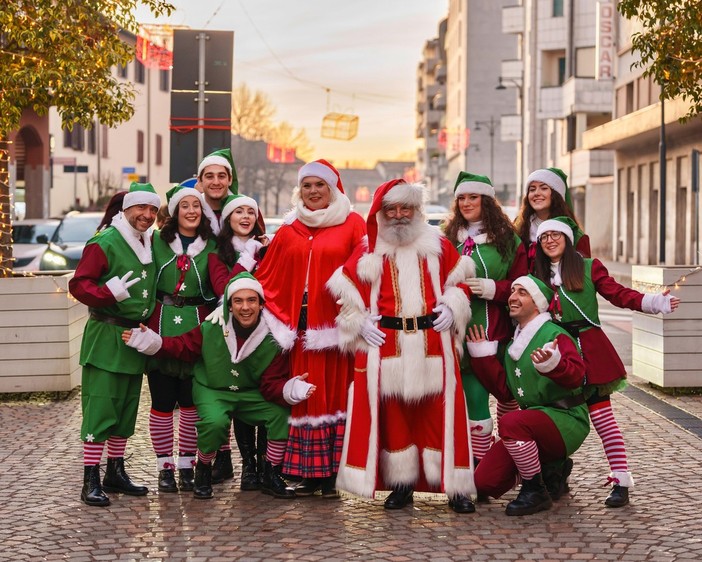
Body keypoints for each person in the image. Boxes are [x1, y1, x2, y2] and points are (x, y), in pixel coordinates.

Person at [328, 178, 476, 513]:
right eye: (391, 209)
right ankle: (401, 485)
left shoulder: (437, 244)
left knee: (442, 415)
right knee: (394, 418)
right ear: (381, 213)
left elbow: (462, 284)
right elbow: (346, 294)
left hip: (432, 344)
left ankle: (454, 488)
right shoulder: (369, 249)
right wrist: (358, 322)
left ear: (416, 209)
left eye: (404, 208)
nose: (398, 215)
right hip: (388, 346)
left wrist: (452, 307)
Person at [122, 273, 312, 500]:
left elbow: (271, 384)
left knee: (281, 414)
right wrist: (154, 342)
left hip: (250, 394)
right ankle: (202, 468)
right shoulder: (212, 327)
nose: (245, 307)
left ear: (262, 304)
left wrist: (290, 389)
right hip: (213, 390)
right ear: (229, 306)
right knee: (214, 423)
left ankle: (271, 474)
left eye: (251, 300)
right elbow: (183, 346)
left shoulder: (274, 338)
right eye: (238, 301)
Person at [532, 216, 681, 507]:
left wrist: (653, 302)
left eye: (555, 235)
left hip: (591, 352)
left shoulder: (589, 267)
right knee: (555, 417)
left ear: (567, 238)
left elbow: (618, 294)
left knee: (603, 419)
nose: (549, 240)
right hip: (557, 353)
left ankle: (621, 480)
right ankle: (551, 475)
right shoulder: (536, 275)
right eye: (544, 236)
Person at [253, 159, 366, 498]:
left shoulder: (352, 224)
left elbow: (367, 270)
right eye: (307, 185)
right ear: (299, 190)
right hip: (300, 331)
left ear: (333, 188)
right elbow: (268, 274)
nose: (313, 191)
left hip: (337, 332)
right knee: (305, 397)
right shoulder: (289, 229)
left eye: (320, 185)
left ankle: (333, 474)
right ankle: (310, 473)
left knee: (335, 396)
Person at [69, 182, 161, 507]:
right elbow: (78, 284)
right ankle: (90, 478)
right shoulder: (105, 241)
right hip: (106, 337)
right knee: (100, 408)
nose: (147, 216)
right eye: (141, 208)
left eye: (153, 210)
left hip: (133, 338)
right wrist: (108, 294)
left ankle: (115, 472)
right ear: (127, 208)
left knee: (125, 410)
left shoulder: (148, 243)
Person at [465, 275, 589, 516]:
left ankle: (536, 489)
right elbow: (505, 393)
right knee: (484, 482)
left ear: (538, 303)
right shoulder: (516, 343)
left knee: (511, 422)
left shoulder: (554, 334)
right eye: (512, 291)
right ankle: (552, 467)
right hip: (533, 426)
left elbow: (578, 377)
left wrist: (555, 365)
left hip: (567, 418)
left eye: (522, 292)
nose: (512, 297)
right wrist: (483, 356)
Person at [442, 172, 527, 464]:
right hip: (455, 335)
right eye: (461, 198)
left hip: (493, 333)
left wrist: (495, 289)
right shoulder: (447, 239)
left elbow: (523, 285)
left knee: (500, 400)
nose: (466, 203)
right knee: (468, 403)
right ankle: (476, 466)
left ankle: (502, 463)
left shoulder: (507, 241)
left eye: (473, 197)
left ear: (486, 200)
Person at [145, 183, 217, 494]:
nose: (191, 211)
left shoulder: (213, 245)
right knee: (162, 401)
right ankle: (164, 468)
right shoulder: (156, 242)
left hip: (197, 324)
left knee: (190, 403)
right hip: (161, 323)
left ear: (203, 212)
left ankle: (187, 466)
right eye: (185, 206)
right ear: (175, 211)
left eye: (196, 206)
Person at [208, 193, 269, 489]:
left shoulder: (268, 249)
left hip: (266, 330)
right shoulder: (217, 254)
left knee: (267, 394)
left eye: (250, 212)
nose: (245, 217)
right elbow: (225, 289)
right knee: (242, 395)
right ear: (228, 219)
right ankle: (248, 466)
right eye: (238, 212)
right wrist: (248, 256)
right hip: (231, 332)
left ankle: (267, 463)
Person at [514, 167, 590, 271]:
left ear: (556, 194)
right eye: (532, 189)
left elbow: (585, 274)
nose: (536, 193)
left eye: (544, 188)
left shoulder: (576, 236)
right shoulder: (518, 230)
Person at [197, 148, 238, 235]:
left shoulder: (247, 211)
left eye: (221, 176)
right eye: (209, 176)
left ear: (230, 179)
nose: (216, 182)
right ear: (200, 181)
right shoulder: (191, 213)